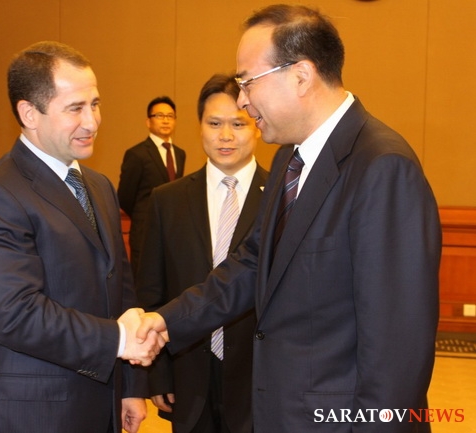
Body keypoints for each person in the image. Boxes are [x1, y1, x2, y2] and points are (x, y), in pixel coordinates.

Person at [137, 5, 441, 433]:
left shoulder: (381, 167)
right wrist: (166, 320)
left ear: (301, 75)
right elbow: (251, 264)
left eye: (248, 81)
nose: (242, 99)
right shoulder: (288, 160)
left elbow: (398, 349)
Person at [0, 41, 164, 433]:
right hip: (31, 414)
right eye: (75, 108)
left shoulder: (98, 186)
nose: (93, 121)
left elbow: (121, 291)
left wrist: (131, 385)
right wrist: (118, 339)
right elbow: (15, 314)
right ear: (29, 113)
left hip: (100, 402)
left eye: (95, 104)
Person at [136, 74, 268, 433]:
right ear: (199, 127)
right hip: (187, 372)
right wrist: (157, 373)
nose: (225, 135)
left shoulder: (280, 198)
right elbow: (152, 292)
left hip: (259, 379)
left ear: (257, 126)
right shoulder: (167, 199)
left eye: (238, 124)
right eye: (214, 123)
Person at [118, 96, 186, 274]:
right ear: (148, 122)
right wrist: (145, 214)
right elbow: (125, 197)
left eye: (170, 116)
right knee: (143, 279)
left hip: (173, 231)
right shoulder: (137, 154)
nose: (165, 120)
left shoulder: (180, 154)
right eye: (159, 115)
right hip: (144, 231)